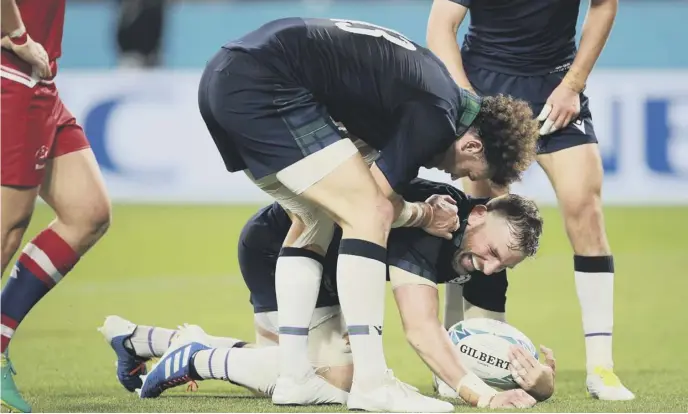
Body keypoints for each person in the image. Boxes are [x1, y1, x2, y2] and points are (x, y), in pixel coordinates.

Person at [197, 17, 539, 411]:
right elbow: (376, 206)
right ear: (474, 145)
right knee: (367, 213)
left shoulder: (433, 90)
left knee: (313, 218)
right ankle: (374, 385)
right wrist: (425, 215)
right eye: (469, 173)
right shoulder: (435, 116)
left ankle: (295, 379)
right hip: (264, 82)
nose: (456, 176)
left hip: (227, 76)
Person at [100, 178, 548, 409]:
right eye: (490, 252)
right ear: (480, 213)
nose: (488, 267)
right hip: (285, 246)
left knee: (287, 369)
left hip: (332, 272)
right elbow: (422, 329)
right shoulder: (437, 219)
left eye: (502, 265)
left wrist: (538, 382)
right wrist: (484, 397)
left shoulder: (487, 252)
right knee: (332, 379)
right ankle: (196, 357)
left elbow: (484, 348)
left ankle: (152, 341)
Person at [426, 0, 633, 400]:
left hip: (554, 88)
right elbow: (440, 26)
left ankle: (601, 368)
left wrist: (573, 84)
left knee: (583, 205)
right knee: (476, 218)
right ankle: (456, 361)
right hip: (483, 84)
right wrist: (470, 100)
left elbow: (605, 4)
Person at [0, 1, 112, 412]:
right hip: (11, 67)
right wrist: (19, 37)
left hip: (39, 79)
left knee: (88, 212)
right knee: (8, 225)